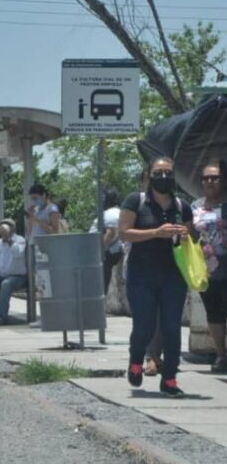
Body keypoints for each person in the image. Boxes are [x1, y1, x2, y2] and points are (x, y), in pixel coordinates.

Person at [120, 157, 193, 397]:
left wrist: (185, 234)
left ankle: (169, 378)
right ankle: (135, 360)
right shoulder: (136, 201)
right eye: (158, 172)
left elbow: (192, 239)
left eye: (168, 172)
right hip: (142, 275)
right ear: (149, 175)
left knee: (172, 328)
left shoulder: (182, 206)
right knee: (144, 326)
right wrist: (156, 232)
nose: (164, 177)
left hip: (174, 275)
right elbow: (125, 233)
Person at [192, 159, 227, 373]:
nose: (210, 181)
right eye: (206, 178)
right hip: (208, 268)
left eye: (215, 177)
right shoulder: (195, 206)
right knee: (214, 312)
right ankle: (221, 355)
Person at [89, 189, 124, 296]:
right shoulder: (118, 212)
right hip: (111, 251)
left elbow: (110, 233)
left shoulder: (110, 214)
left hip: (106, 253)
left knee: (101, 284)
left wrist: (100, 253)